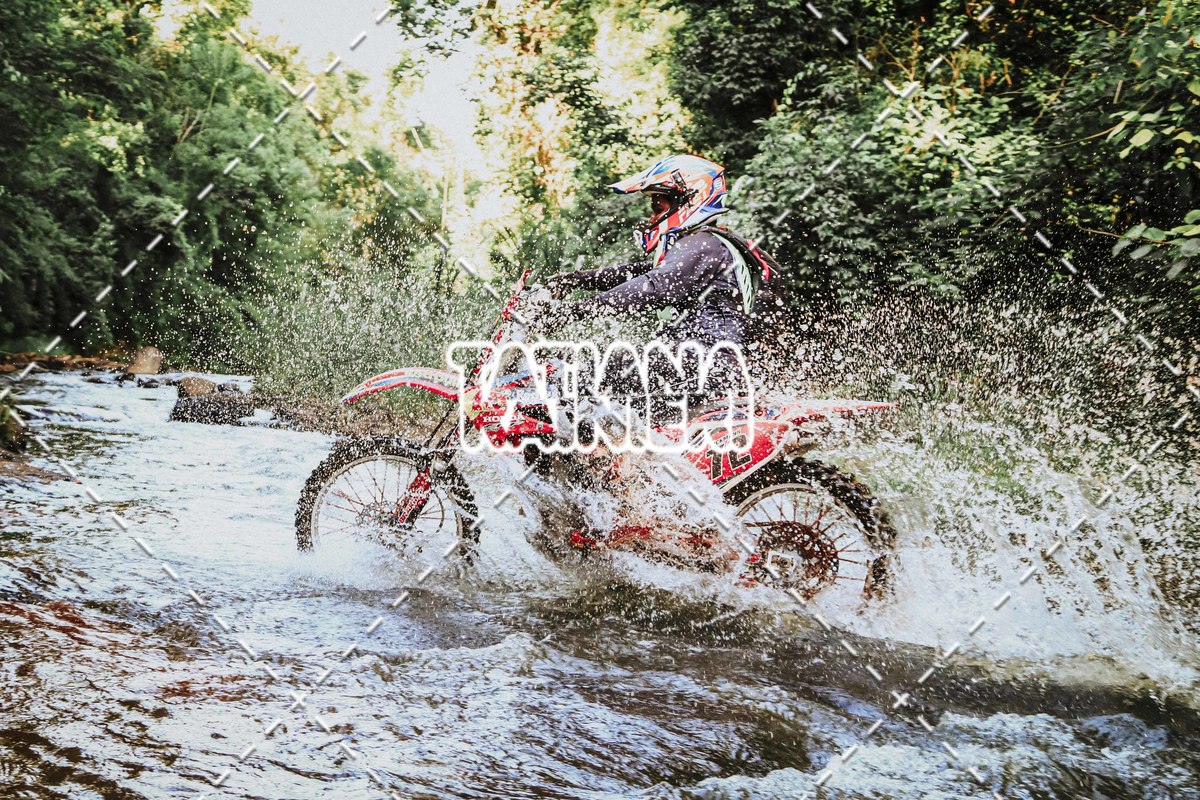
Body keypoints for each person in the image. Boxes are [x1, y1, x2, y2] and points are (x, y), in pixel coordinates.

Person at [540, 154, 778, 419]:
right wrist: (576, 279)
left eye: (658, 206)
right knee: (605, 397)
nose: (652, 217)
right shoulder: (711, 244)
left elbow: (654, 285)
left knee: (583, 374)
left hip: (703, 363)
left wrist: (572, 312)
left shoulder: (703, 243)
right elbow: (639, 273)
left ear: (688, 199)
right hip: (706, 365)